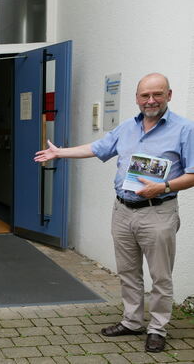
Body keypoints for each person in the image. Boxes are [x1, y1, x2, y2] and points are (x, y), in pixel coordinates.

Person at [34, 73, 194, 353]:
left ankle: (157, 328)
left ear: (169, 95)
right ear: (137, 98)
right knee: (128, 271)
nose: (151, 100)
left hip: (158, 211)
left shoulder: (184, 129)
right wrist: (60, 153)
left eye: (157, 94)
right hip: (122, 210)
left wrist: (163, 186)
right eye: (145, 95)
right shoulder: (126, 128)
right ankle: (132, 321)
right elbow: (97, 148)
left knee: (160, 275)